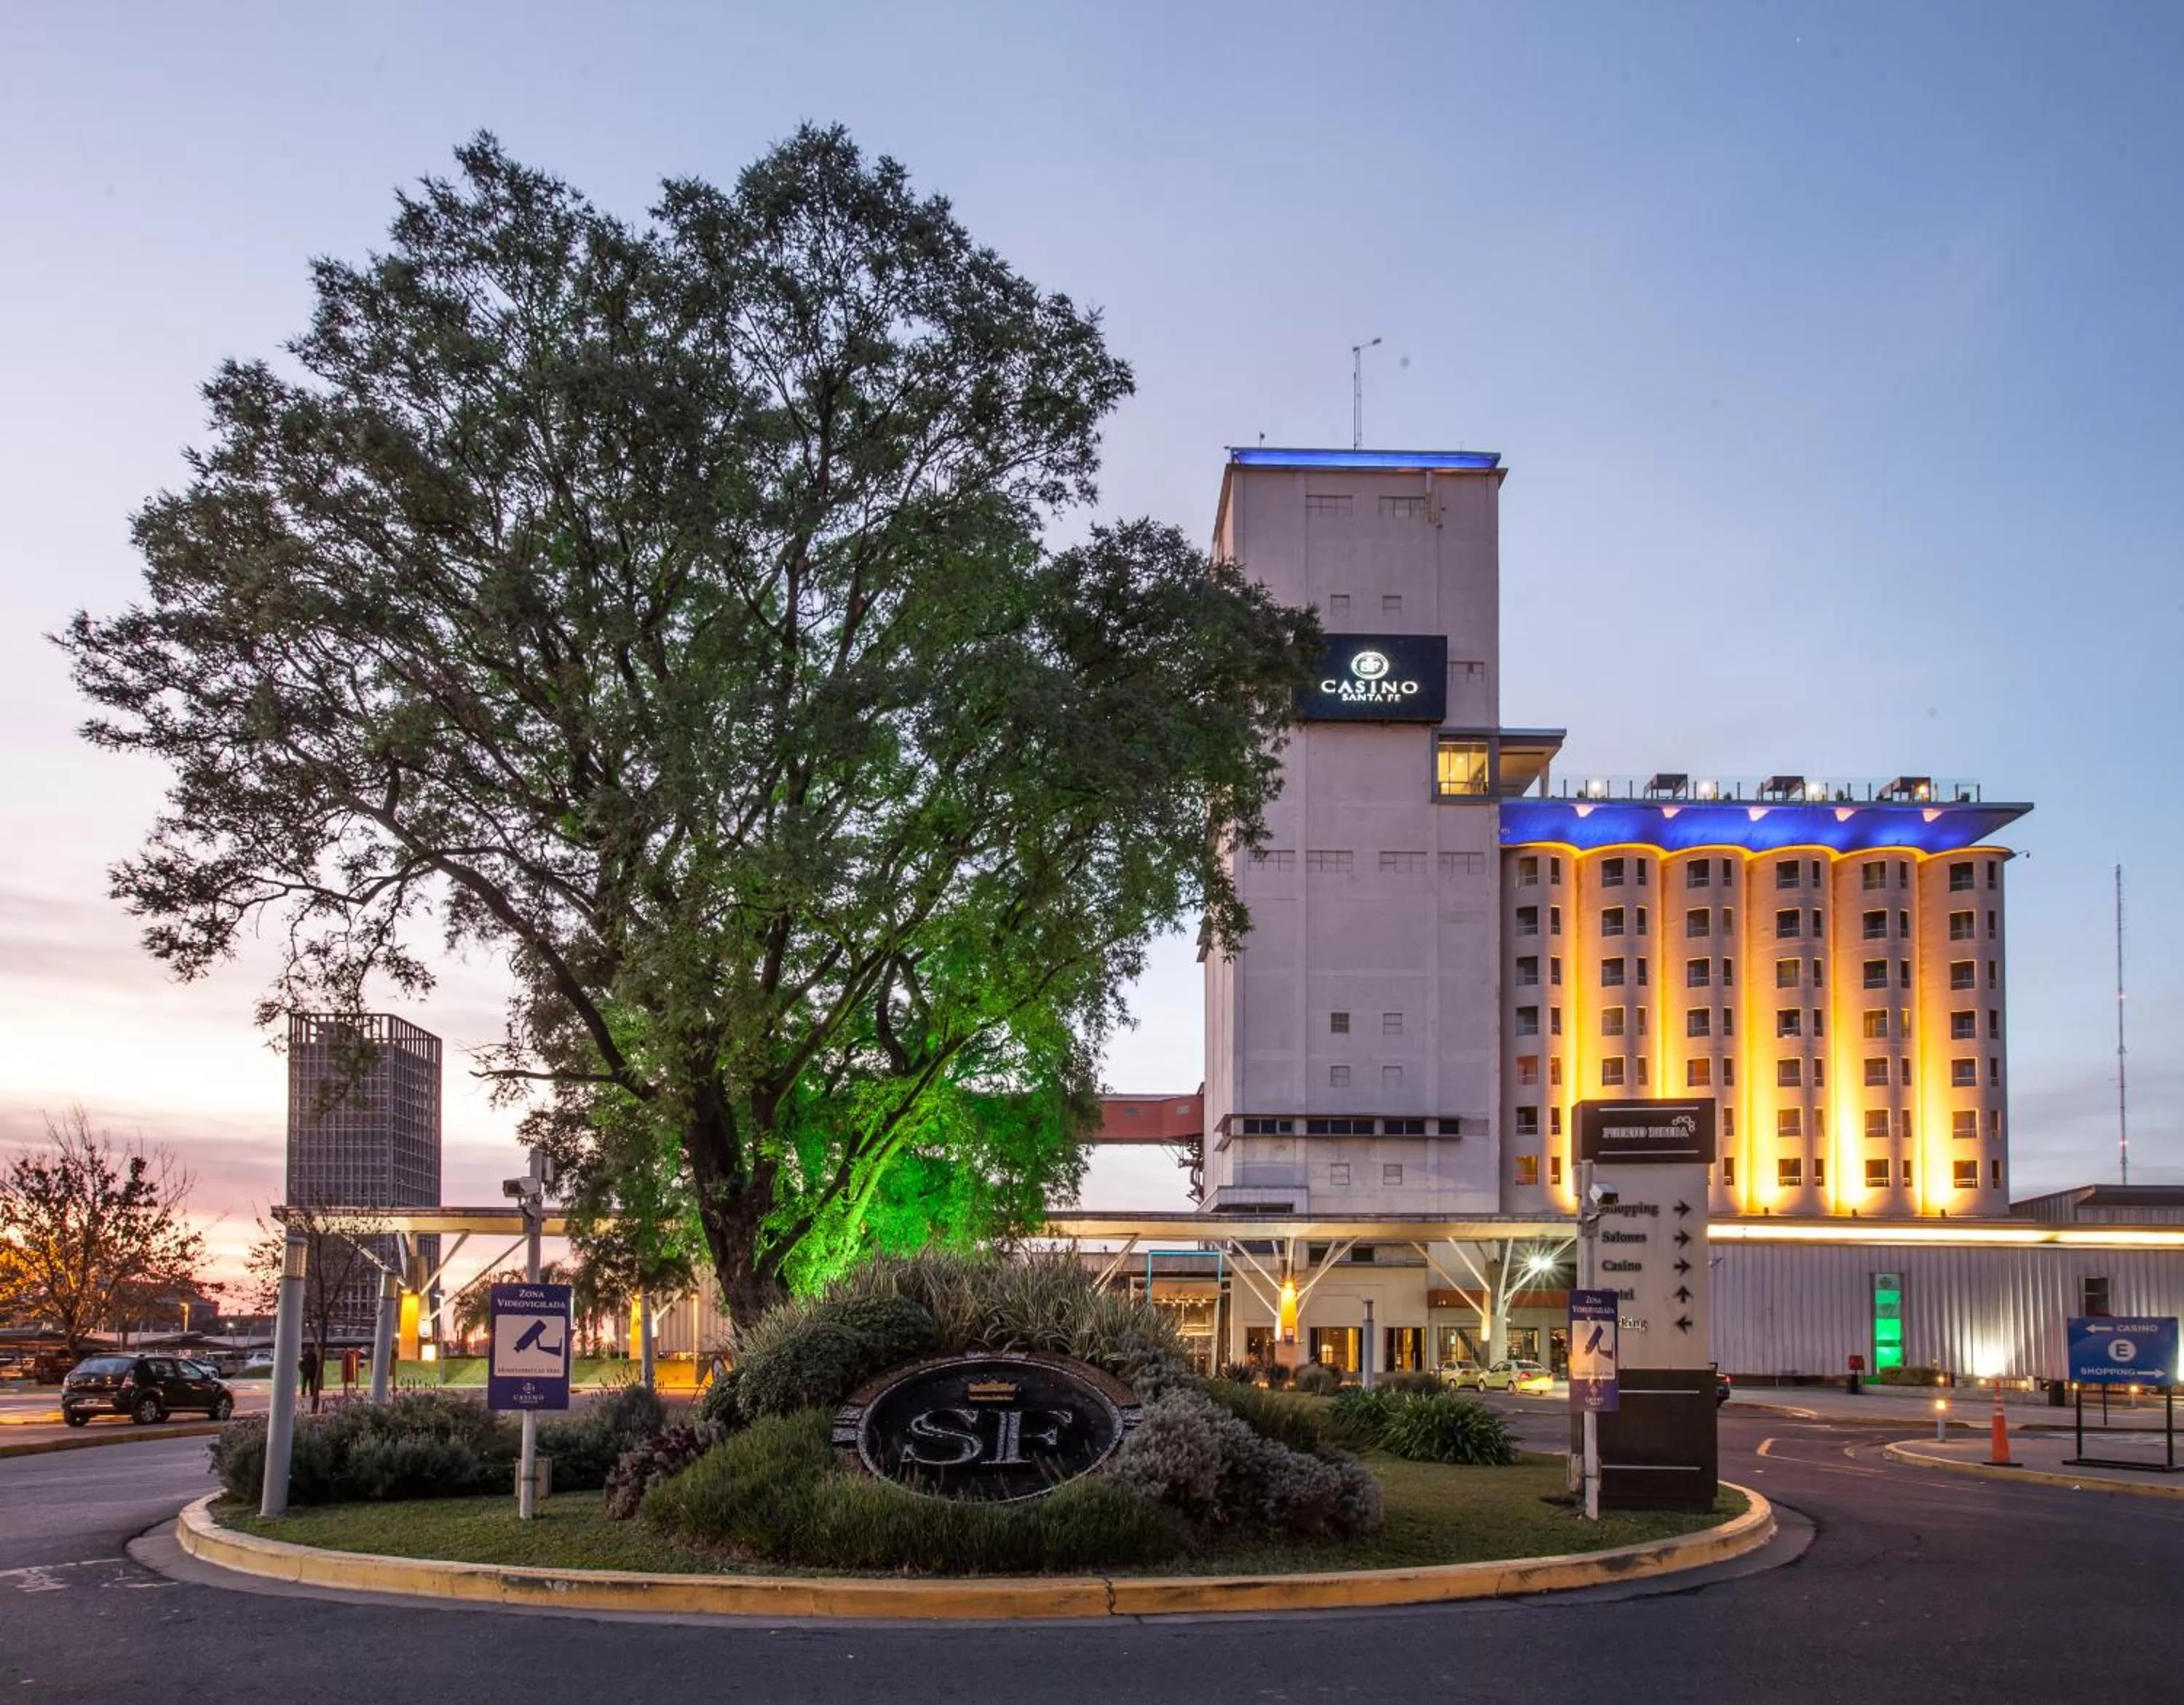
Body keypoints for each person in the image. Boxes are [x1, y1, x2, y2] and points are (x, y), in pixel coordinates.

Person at [298, 1342, 322, 1413]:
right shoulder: (314, 1355)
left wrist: (301, 1370)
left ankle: (303, 1393)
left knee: (304, 1383)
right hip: (312, 1371)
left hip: (305, 1371)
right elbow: (316, 1363)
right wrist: (315, 1370)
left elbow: (300, 1364)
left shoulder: (304, 1355)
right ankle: (311, 1393)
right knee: (311, 1383)